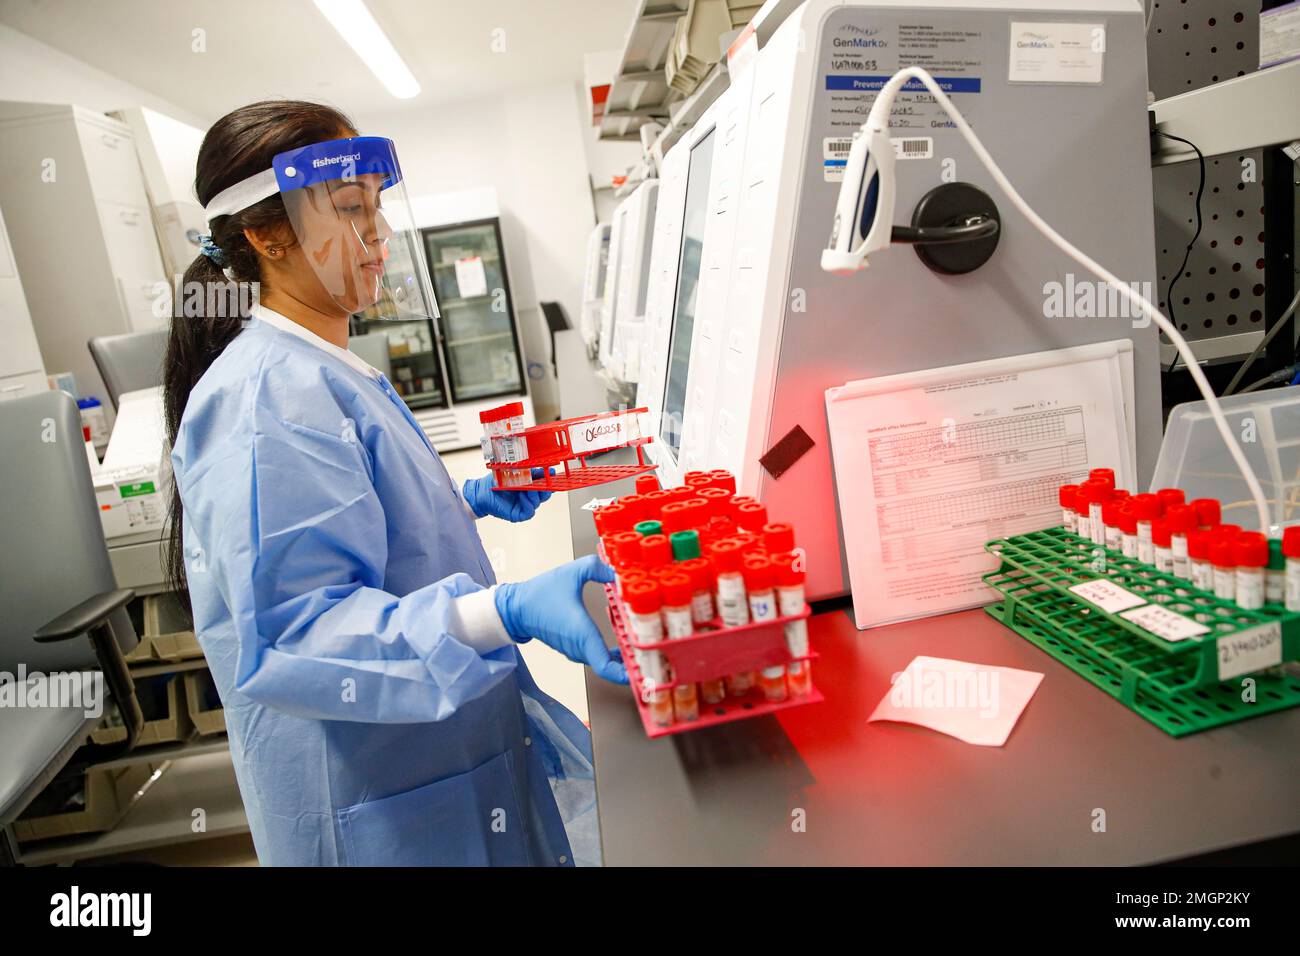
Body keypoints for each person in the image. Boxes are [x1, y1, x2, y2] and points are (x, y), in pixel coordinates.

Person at [163, 101, 625, 866]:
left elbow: (345, 522)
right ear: (266, 234)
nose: (377, 236)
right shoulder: (265, 397)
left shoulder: (318, 365)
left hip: (431, 765)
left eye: (377, 207)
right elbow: (299, 634)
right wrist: (500, 613)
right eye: (349, 210)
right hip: (380, 804)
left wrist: (459, 499)